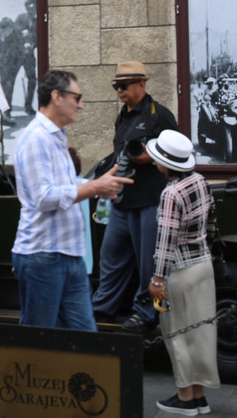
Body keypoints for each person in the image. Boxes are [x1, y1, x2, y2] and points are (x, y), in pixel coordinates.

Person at [11, 70, 131, 330]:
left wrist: (96, 185)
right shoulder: (36, 138)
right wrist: (94, 186)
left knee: (84, 337)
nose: (81, 105)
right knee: (38, 341)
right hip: (43, 254)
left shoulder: (54, 136)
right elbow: (43, 197)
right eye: (77, 98)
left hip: (68, 254)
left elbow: (61, 185)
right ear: (57, 96)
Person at [92, 61, 179, 333]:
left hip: (149, 200)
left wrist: (149, 156)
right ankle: (102, 307)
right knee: (110, 257)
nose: (119, 90)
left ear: (142, 84)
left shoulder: (159, 115)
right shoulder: (123, 115)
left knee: (147, 264)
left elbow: (177, 154)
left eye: (124, 85)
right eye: (116, 86)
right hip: (122, 201)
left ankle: (145, 313)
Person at [146, 130, 219, 416]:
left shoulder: (171, 193)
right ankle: (199, 396)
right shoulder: (200, 181)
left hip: (179, 270)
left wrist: (157, 279)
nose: (155, 163)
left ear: (166, 163)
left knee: (176, 333)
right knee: (200, 332)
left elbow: (166, 240)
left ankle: (185, 397)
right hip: (203, 265)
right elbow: (212, 222)